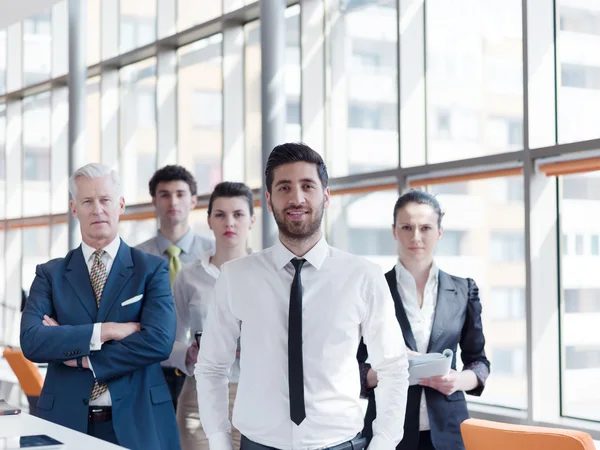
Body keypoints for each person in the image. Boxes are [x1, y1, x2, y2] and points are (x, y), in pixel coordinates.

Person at [196, 143, 409, 450]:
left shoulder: (364, 276)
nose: (296, 198)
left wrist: (383, 444)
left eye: (307, 186)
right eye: (284, 188)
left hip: (340, 444)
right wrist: (219, 442)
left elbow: (392, 367)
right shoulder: (235, 277)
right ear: (269, 200)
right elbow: (212, 367)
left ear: (326, 195)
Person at [20, 163, 180, 450]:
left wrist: (84, 357)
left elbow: (159, 341)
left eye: (105, 199)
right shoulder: (50, 274)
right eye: (87, 201)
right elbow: (32, 341)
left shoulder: (152, 270)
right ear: (74, 208)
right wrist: (106, 331)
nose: (97, 209)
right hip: (63, 421)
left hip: (139, 423)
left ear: (120, 205)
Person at [358, 190, 490, 450]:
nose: (416, 237)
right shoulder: (372, 289)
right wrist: (386, 372)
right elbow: (352, 368)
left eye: (426, 228)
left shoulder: (465, 290)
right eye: (407, 227)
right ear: (394, 230)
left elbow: (479, 362)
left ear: (439, 232)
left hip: (450, 431)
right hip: (387, 431)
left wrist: (457, 381)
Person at [167, 181, 255, 450]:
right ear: (209, 221)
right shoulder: (188, 277)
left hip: (255, 397)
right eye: (220, 214)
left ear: (251, 220)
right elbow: (167, 341)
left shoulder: (268, 275)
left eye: (238, 214)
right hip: (199, 398)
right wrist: (188, 354)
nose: (230, 222)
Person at [136, 164, 214, 409]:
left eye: (180, 194)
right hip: (151, 369)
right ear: (154, 201)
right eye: (165, 194)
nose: (173, 201)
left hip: (201, 370)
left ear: (193, 201)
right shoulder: (135, 258)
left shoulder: (214, 253)